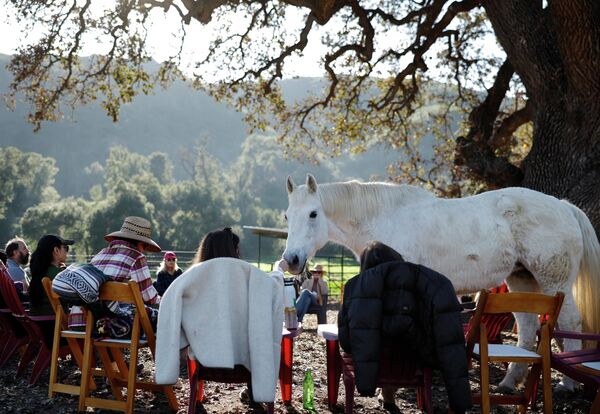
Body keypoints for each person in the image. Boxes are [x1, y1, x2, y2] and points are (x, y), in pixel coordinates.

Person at [338, 241, 471, 414]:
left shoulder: (355, 288)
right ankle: (391, 396)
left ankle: (387, 395)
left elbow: (347, 343)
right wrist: (459, 400)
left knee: (380, 343)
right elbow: (449, 340)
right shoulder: (433, 283)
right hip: (415, 361)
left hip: (373, 363)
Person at [191, 226, 288, 406]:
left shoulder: (193, 285)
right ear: (233, 252)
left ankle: (196, 399)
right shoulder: (245, 285)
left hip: (204, 359)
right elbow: (271, 288)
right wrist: (279, 269)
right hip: (242, 364)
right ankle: (255, 395)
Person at [68, 216, 162, 334]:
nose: (144, 251)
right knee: (164, 318)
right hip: (108, 326)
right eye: (145, 246)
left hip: (79, 322)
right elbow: (150, 298)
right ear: (140, 243)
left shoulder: (99, 255)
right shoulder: (136, 257)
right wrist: (164, 300)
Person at [28, 234, 74, 346]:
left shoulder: (40, 272)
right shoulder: (58, 275)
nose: (67, 252)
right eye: (65, 248)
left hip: (42, 327)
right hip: (57, 330)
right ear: (56, 250)